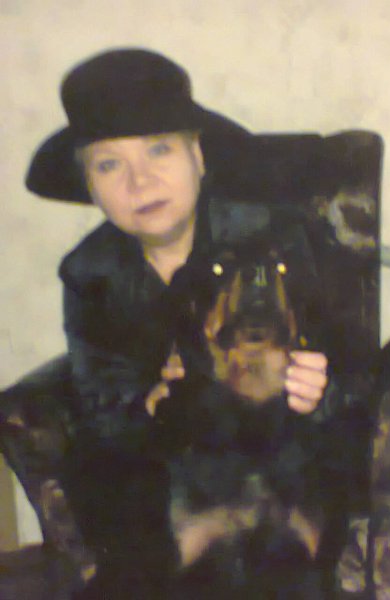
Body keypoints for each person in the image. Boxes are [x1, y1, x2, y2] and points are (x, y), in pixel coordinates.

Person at [24, 48, 335, 596]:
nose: (139, 181)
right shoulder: (90, 273)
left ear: (199, 157)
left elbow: (352, 366)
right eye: (109, 164)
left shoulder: (276, 237)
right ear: (90, 188)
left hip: (280, 453)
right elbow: (102, 406)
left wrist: (320, 389)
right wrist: (149, 404)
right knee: (112, 493)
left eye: (159, 149)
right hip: (168, 472)